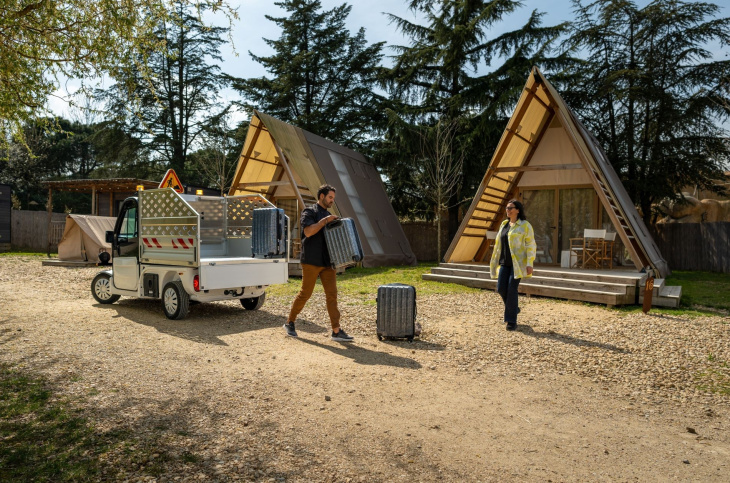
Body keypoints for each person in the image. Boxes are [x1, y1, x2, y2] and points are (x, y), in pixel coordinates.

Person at [284, 184, 354, 342]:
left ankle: (336, 331)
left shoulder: (329, 215)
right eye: (330, 197)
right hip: (311, 261)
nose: (332, 201)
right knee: (305, 294)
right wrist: (324, 222)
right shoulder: (309, 212)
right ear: (321, 196)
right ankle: (290, 322)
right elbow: (308, 232)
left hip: (328, 262)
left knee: (332, 295)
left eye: (333, 198)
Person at [489, 199, 537, 331]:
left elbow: (531, 245)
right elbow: (499, 244)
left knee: (511, 289)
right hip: (504, 263)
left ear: (518, 210)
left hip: (518, 264)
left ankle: (511, 321)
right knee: (501, 289)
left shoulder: (525, 225)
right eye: (507, 208)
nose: (508, 210)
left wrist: (529, 263)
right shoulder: (504, 224)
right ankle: (514, 308)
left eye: (510, 208)